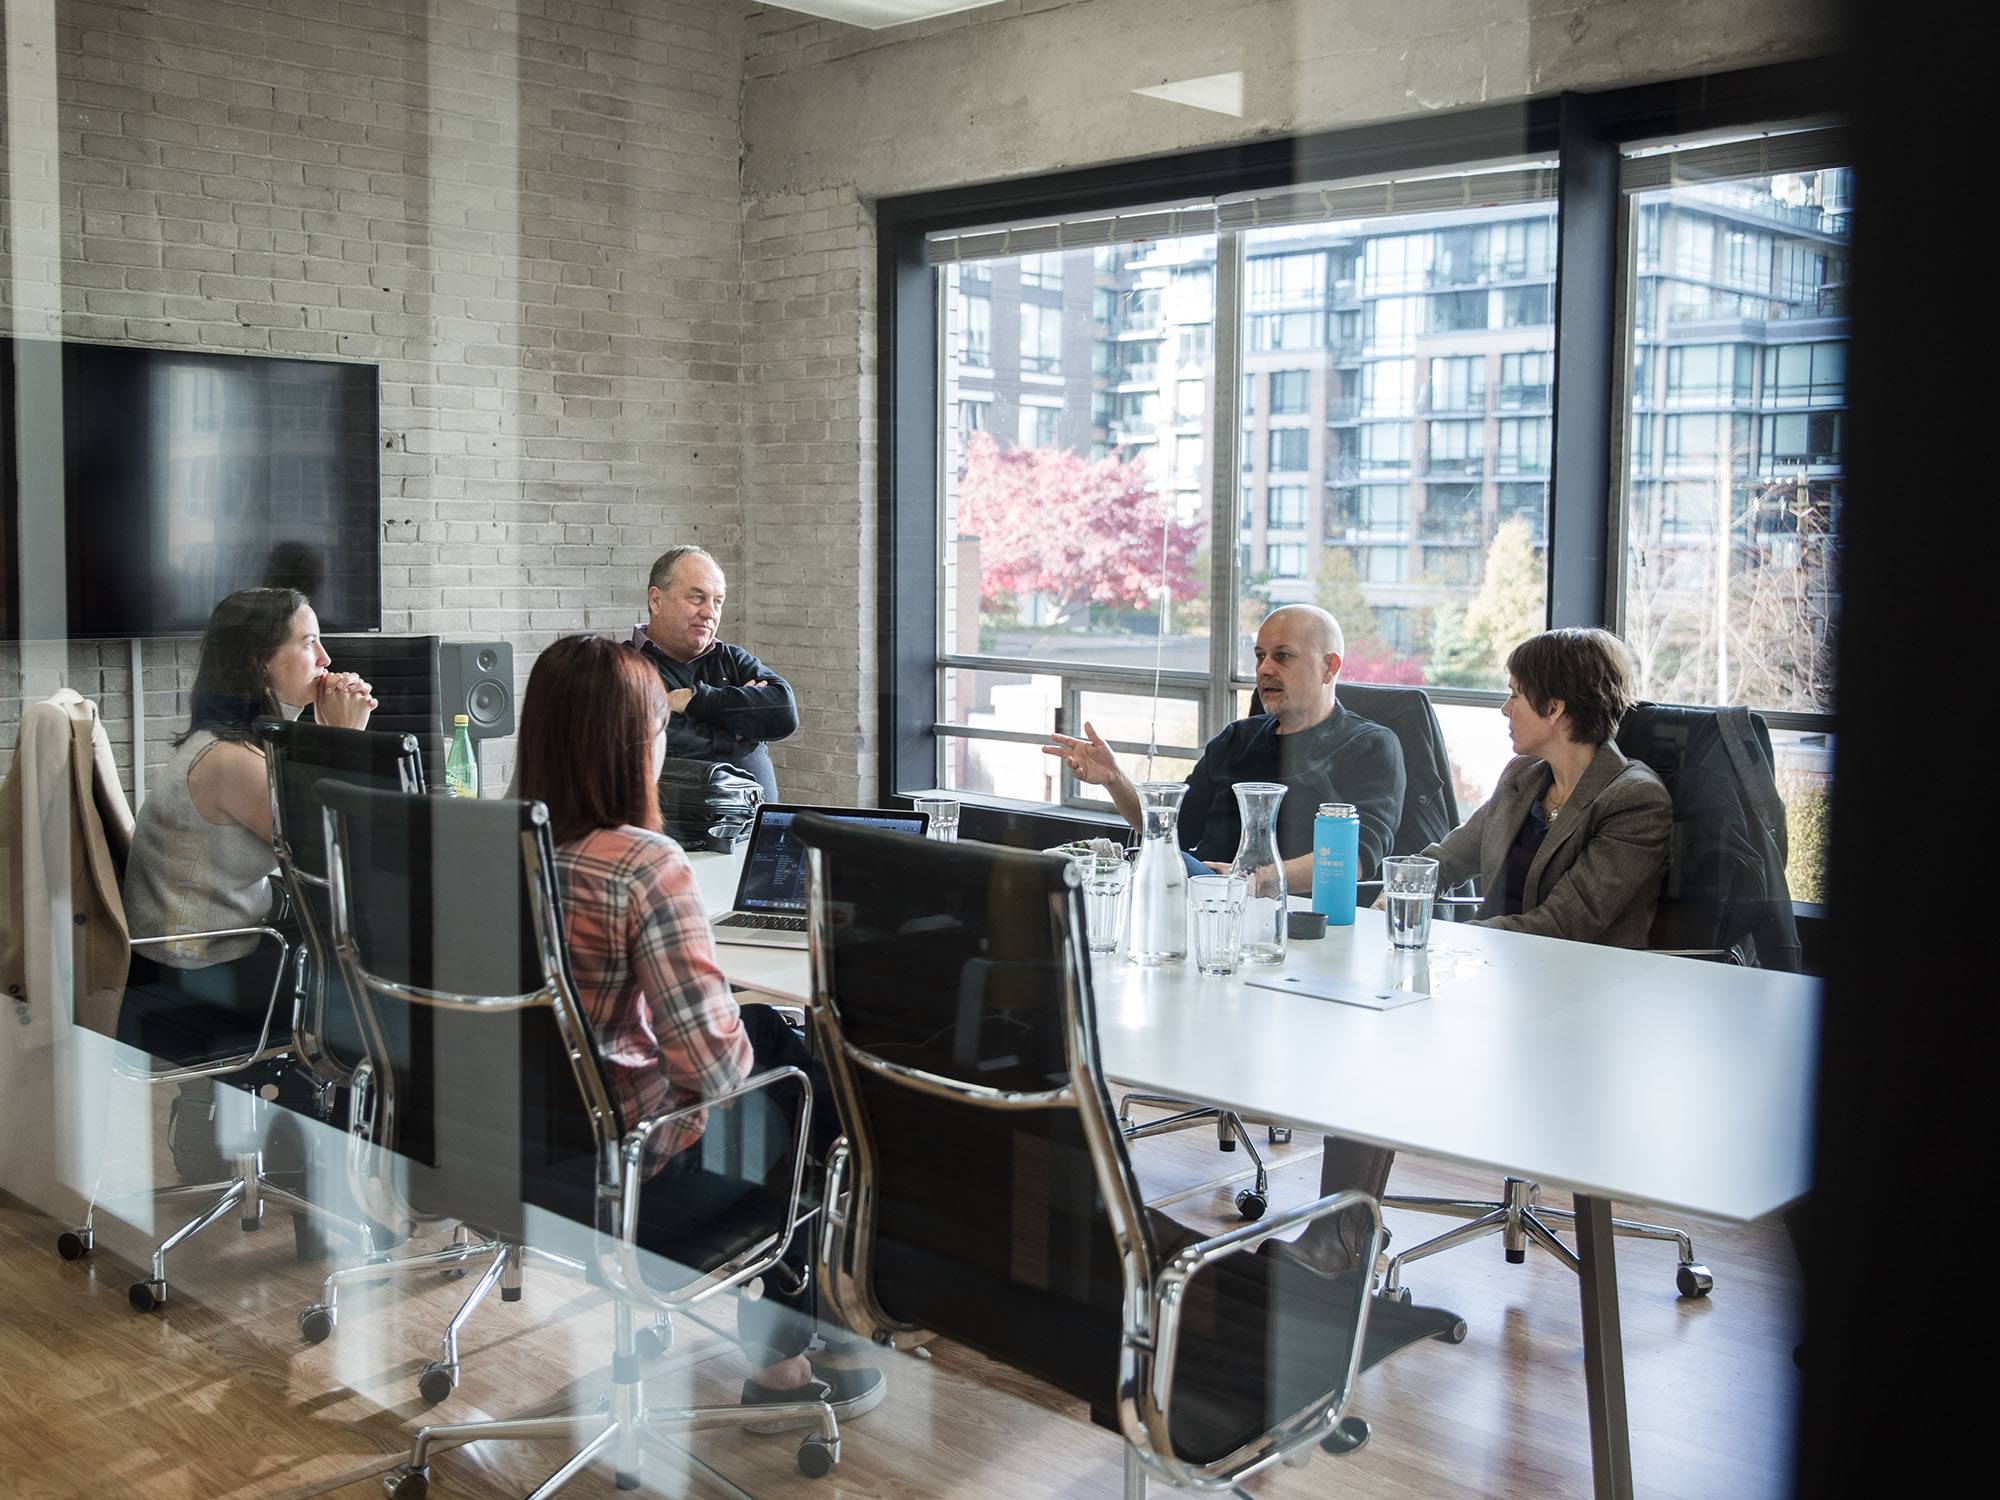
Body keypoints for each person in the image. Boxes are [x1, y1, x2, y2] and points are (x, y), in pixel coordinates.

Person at [509, 634, 882, 1430]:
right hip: (642, 1182)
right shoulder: (643, 863)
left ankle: (809, 1331)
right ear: (630, 742)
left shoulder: (490, 846)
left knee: (772, 1033)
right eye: (656, 727)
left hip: (510, 1160)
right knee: (816, 1089)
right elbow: (716, 1074)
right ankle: (795, 1351)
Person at [1286, 626, 1673, 1274]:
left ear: (1556, 709)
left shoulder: (1634, 800)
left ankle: (1343, 1235)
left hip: (1575, 1008)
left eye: (1516, 694)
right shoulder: (1524, 778)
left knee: (1384, 1040)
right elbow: (1449, 856)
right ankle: (1344, 1232)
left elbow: (1565, 924)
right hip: (1499, 982)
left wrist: (1447, 943)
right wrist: (1398, 896)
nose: (1504, 709)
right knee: (1366, 1032)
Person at [122, 587, 376, 1044]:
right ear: (261, 661)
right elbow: (336, 857)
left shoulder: (237, 743)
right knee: (373, 994)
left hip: (205, 956)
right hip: (194, 976)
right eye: (308, 642)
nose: (325, 656)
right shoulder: (229, 760)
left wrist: (328, 733)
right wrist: (344, 738)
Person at [1044, 604, 1403, 891]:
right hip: (1203, 904)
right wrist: (1113, 778)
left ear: (1330, 667)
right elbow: (1168, 827)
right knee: (1075, 866)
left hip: (1298, 916)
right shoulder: (1236, 739)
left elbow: (1353, 859)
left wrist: (1251, 881)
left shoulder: (1370, 746)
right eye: (1260, 655)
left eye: (1283, 656)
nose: (1264, 669)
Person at [631, 545, 798, 801]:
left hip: (757, 832)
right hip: (679, 836)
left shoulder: (732, 658)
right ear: (656, 600)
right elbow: (656, 740)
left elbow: (783, 712)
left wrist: (692, 700)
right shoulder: (626, 666)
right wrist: (744, 730)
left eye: (717, 601)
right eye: (697, 598)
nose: (710, 613)